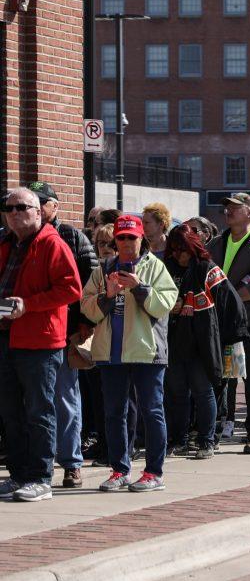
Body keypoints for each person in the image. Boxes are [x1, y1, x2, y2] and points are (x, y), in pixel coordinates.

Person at [81, 215, 178, 493]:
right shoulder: (103, 269)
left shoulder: (155, 267)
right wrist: (108, 295)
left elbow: (164, 305)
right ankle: (119, 470)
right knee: (114, 413)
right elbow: (87, 308)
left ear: (141, 239)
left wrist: (139, 287)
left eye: (131, 237)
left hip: (147, 352)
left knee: (152, 411)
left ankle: (153, 472)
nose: (125, 242)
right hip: (110, 354)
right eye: (120, 238)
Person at [0, 188, 83, 502]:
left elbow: (71, 289)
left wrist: (29, 305)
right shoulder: (7, 243)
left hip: (39, 339)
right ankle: (19, 474)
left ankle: (40, 477)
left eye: (22, 207)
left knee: (39, 410)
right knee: (10, 410)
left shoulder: (51, 243)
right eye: (9, 208)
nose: (15, 212)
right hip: (6, 335)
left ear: (38, 211)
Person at [27, 182, 97, 488]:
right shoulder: (18, 239)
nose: (37, 208)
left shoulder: (72, 236)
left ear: (56, 206)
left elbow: (89, 282)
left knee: (66, 398)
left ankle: (71, 463)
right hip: (27, 334)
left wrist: (84, 322)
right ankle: (36, 461)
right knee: (33, 401)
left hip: (65, 331)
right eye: (33, 202)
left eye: (43, 202)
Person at [163, 225, 247, 459]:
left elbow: (232, 306)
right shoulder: (166, 268)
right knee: (176, 393)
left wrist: (224, 339)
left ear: (193, 247)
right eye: (175, 249)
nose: (179, 255)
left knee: (203, 391)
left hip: (202, 343)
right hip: (173, 341)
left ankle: (206, 441)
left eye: (183, 250)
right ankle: (178, 440)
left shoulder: (208, 269)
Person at [206, 194, 250, 454]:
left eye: (234, 208)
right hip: (222, 322)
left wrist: (229, 297)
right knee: (220, 378)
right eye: (226, 207)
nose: (228, 211)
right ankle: (209, 434)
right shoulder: (216, 243)